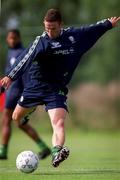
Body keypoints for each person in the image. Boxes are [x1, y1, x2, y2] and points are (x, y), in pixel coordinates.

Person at [1, 9, 120, 167]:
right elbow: (25, 58)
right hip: (35, 86)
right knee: (16, 118)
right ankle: (31, 109)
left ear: (61, 25)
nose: (49, 31)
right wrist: (10, 76)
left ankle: (57, 151)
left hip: (56, 88)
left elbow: (91, 30)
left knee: (58, 122)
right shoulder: (41, 41)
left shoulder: (73, 36)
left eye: (53, 28)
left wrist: (107, 24)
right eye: (47, 28)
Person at [0, 29, 51, 160]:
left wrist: (26, 91)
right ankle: (43, 147)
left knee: (6, 120)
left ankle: (3, 151)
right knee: (20, 123)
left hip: (16, 91)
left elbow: (24, 73)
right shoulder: (11, 51)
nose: (12, 40)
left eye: (14, 38)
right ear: (7, 39)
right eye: (10, 38)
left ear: (19, 38)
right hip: (13, 90)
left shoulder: (21, 52)